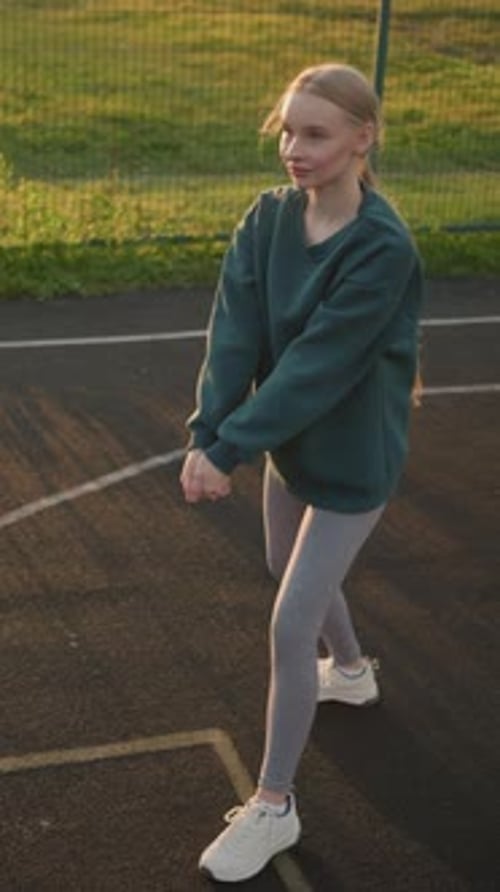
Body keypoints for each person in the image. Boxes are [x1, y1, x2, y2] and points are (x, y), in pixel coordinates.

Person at [180, 61, 424, 883]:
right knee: (286, 565)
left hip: (353, 457)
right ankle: (350, 673)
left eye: (315, 134)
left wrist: (230, 447)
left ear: (363, 139)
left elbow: (318, 365)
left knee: (291, 622)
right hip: (293, 443)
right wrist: (209, 433)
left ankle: (275, 803)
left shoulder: (382, 248)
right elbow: (235, 333)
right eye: (288, 130)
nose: (294, 147)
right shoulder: (268, 218)